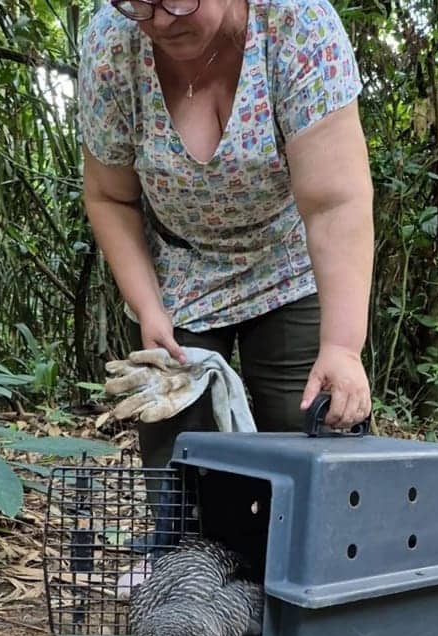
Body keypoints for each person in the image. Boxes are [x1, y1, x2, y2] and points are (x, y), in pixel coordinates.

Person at [77, 0, 374, 468]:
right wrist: (149, 308)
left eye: (178, 0)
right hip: (178, 271)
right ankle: (189, 546)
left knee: (315, 443)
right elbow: (109, 197)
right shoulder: (111, 43)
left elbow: (334, 204)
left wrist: (342, 348)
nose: (159, 20)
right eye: (139, 3)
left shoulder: (299, 26)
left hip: (287, 263)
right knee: (181, 461)